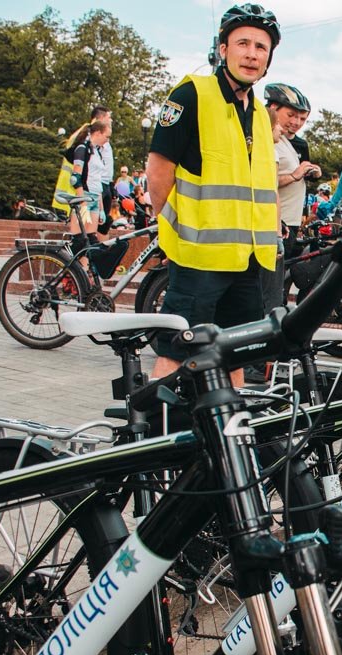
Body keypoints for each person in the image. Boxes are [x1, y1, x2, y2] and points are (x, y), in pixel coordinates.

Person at [147, 3, 281, 386]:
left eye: (261, 47)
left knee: (232, 351)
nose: (252, 54)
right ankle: (155, 436)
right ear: (223, 49)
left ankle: (227, 437)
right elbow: (159, 170)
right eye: (243, 43)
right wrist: (172, 226)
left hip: (247, 259)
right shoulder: (192, 93)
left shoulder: (258, 111)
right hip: (199, 257)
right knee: (177, 350)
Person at [265, 81, 319, 310]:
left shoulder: (285, 140)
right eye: (291, 115)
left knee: (277, 284)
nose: (296, 123)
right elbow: (264, 180)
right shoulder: (269, 138)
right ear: (273, 108)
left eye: (302, 119)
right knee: (270, 288)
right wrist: (295, 175)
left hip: (290, 221)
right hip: (278, 221)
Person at [52, 105, 111, 215]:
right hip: (82, 188)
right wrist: (82, 200)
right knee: (81, 228)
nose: (110, 120)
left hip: (95, 187)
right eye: (108, 117)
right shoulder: (87, 137)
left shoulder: (92, 135)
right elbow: (79, 166)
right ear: (101, 118)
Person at [68, 118, 111, 267]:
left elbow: (97, 180)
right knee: (80, 240)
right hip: (84, 198)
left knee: (90, 241)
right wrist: (82, 201)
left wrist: (101, 208)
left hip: (94, 198)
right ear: (98, 133)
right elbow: (75, 178)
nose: (107, 141)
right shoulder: (82, 149)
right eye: (107, 136)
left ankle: (85, 273)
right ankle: (72, 275)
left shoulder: (97, 152)